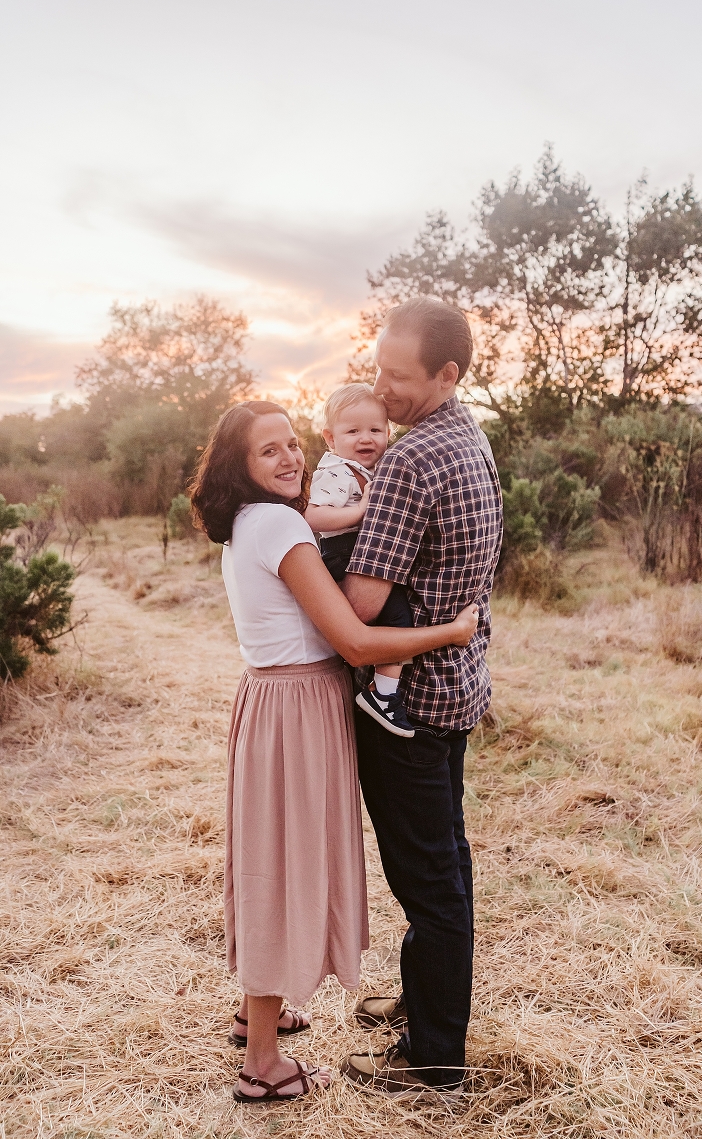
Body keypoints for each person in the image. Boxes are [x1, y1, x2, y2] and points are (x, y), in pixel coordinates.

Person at [188, 399, 479, 1105]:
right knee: (282, 868)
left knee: (271, 858)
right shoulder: (283, 524)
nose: (289, 459)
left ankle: (262, 1010)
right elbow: (354, 640)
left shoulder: (248, 522)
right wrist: (450, 631)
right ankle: (263, 1065)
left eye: (292, 444)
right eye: (269, 451)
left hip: (271, 700)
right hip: (298, 707)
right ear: (240, 466)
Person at [338, 298, 504, 1099]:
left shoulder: (408, 460)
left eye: (398, 377)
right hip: (459, 687)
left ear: (447, 374)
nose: (382, 389)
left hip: (407, 708)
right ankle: (425, 1005)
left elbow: (364, 604)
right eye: (377, 370)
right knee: (450, 863)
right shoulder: (470, 437)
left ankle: (433, 1062)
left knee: (429, 885)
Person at [305, 383, 416, 738]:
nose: (365, 438)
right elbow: (312, 517)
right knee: (397, 615)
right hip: (342, 552)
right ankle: (382, 695)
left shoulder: (371, 466)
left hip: (358, 548)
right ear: (330, 438)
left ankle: (378, 685)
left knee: (398, 612)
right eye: (352, 431)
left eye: (375, 430)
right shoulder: (336, 472)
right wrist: (360, 511)